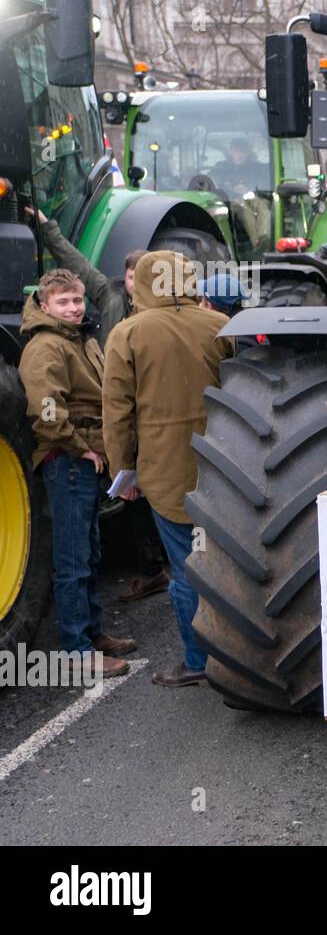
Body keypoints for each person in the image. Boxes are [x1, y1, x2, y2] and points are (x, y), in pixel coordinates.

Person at [102, 251, 235, 687]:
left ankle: (197, 660)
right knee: (224, 563)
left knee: (185, 569)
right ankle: (239, 654)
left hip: (163, 470)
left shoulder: (127, 333)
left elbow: (117, 412)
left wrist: (123, 472)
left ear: (140, 283)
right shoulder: (218, 326)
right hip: (223, 463)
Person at [18, 269, 136, 677]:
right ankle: (75, 653)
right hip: (67, 461)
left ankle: (92, 634)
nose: (73, 308)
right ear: (44, 305)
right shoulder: (46, 347)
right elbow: (45, 409)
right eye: (63, 302)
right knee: (72, 558)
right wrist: (80, 448)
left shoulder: (79, 340)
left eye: (76, 300)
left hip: (84, 459)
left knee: (89, 551)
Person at [24, 207, 142, 341]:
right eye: (131, 277)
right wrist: (47, 227)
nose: (135, 284)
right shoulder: (111, 295)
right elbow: (77, 264)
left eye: (141, 278)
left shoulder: (163, 311)